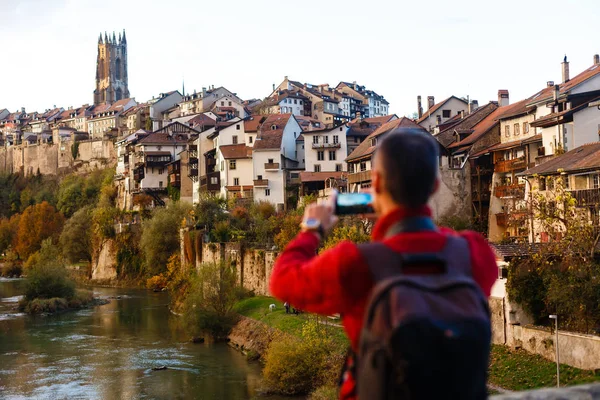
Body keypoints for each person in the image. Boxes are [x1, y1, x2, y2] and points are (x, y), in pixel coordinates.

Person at [269, 128, 497, 400]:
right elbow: (430, 245)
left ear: (375, 182)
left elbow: (282, 280)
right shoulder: (473, 252)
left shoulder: (356, 263)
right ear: (435, 186)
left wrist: (312, 230)